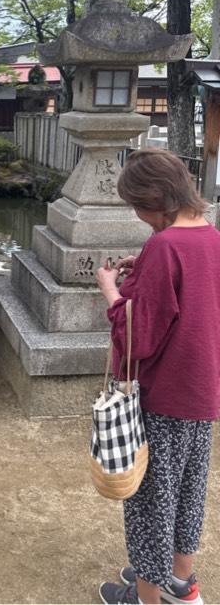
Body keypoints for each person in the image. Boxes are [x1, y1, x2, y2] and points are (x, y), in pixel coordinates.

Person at [94, 149, 219, 605]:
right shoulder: (211, 236)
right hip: (201, 390)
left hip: (163, 394)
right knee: (187, 490)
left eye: (138, 205)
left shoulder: (164, 246)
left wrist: (111, 291)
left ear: (158, 200)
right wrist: (142, 265)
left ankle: (148, 598)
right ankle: (181, 585)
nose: (138, 215)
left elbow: (139, 334)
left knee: (149, 503)